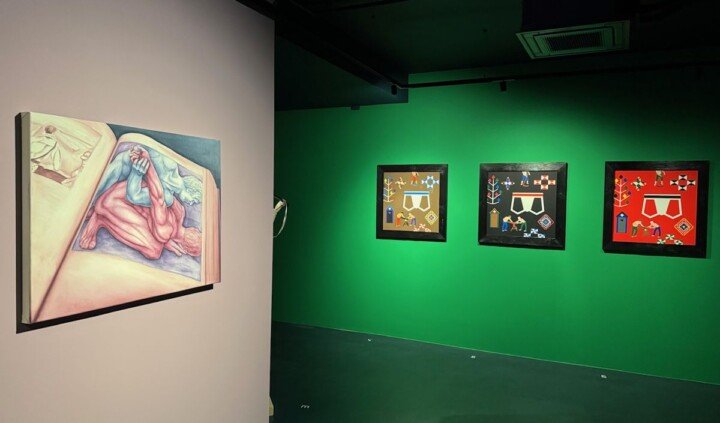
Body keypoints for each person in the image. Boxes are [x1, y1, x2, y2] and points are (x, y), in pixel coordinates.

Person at [79, 146, 201, 260]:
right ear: (185, 249)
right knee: (154, 251)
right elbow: (158, 198)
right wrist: (148, 165)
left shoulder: (180, 211)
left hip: (123, 191)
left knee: (157, 246)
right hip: (113, 200)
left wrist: (165, 240)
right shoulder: (165, 232)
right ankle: (100, 219)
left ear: (194, 230)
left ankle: (101, 213)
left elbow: (159, 201)